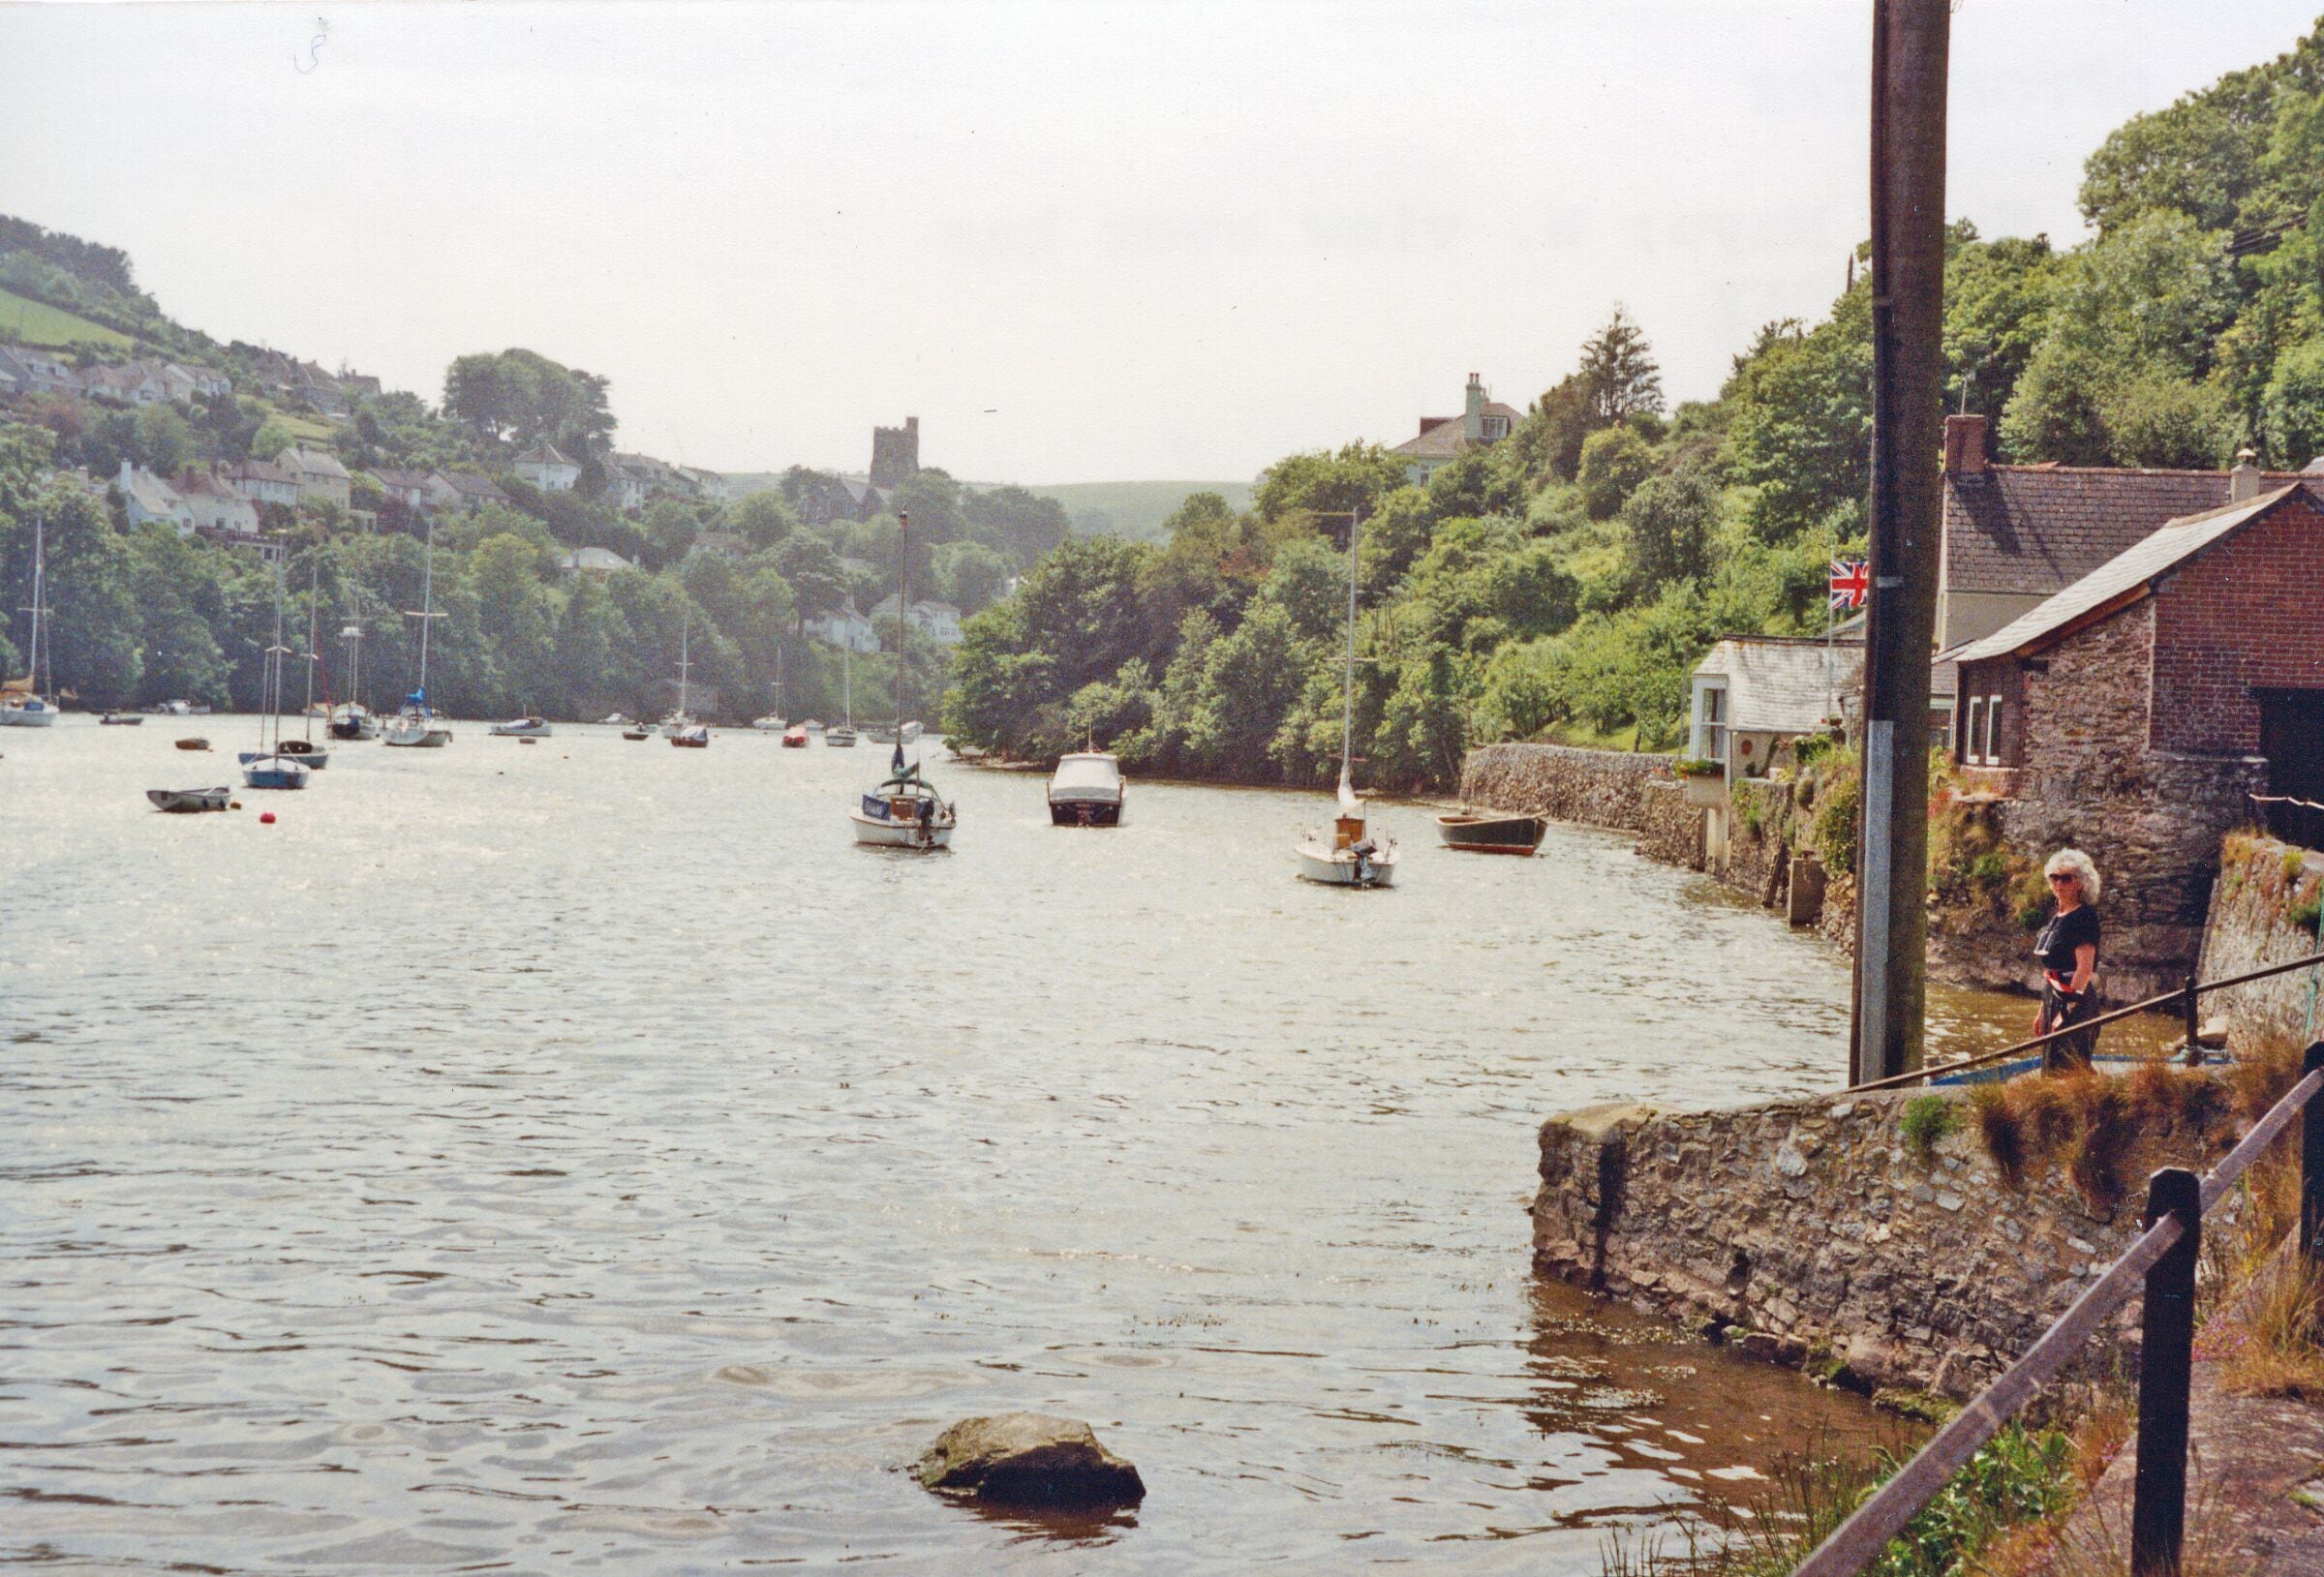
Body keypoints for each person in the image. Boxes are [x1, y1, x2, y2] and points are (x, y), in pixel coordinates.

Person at [2032, 848, 2103, 1074]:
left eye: (2066, 878)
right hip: (2053, 996)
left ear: (2081, 883)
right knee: (2052, 1063)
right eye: (2054, 877)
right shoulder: (2057, 918)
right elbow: (2052, 971)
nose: (2059, 884)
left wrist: (2067, 1008)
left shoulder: (2084, 916)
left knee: (2072, 1065)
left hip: (2076, 999)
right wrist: (2042, 1011)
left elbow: (2084, 968)